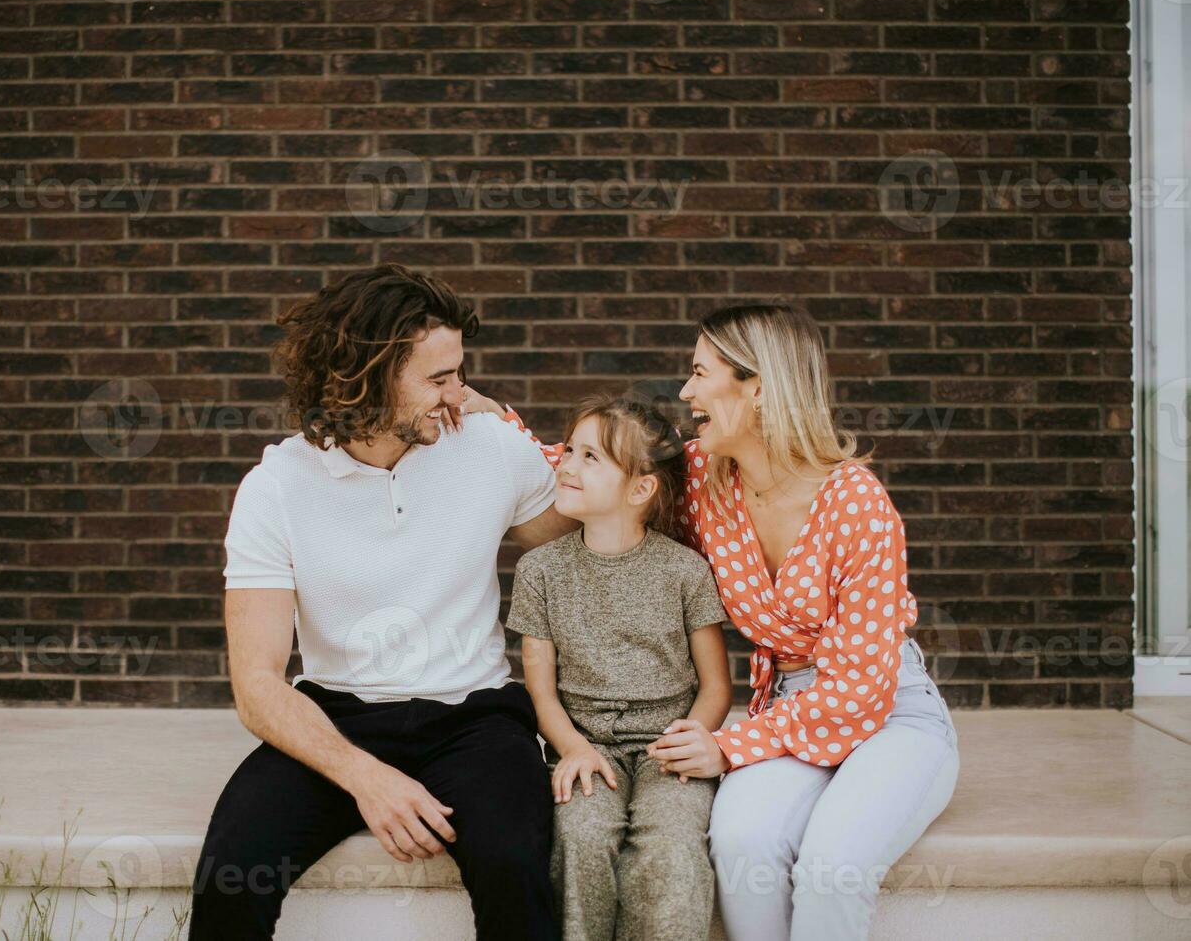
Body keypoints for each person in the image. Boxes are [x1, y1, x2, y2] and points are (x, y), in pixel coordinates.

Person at [469, 302, 959, 941]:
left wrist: (727, 745)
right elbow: (605, 463)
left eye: (701, 374)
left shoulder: (858, 503)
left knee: (833, 867)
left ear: (758, 386)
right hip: (785, 708)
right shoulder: (705, 478)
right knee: (740, 843)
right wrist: (493, 422)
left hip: (891, 712)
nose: (685, 392)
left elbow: (860, 688)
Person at [189, 264, 577, 941]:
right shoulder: (277, 486)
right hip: (336, 716)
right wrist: (367, 779)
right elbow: (256, 687)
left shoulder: (486, 446)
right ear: (367, 377)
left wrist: (497, 417)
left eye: (461, 372)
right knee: (230, 873)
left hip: (474, 717)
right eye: (439, 378)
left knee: (516, 867)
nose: (459, 392)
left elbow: (587, 520)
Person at [507, 393, 732, 941]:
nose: (566, 465)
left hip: (668, 746)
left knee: (671, 846)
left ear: (640, 488)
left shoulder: (685, 570)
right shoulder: (540, 571)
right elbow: (541, 694)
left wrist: (692, 736)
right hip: (585, 745)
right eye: (570, 451)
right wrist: (573, 748)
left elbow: (716, 686)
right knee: (581, 839)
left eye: (591, 458)